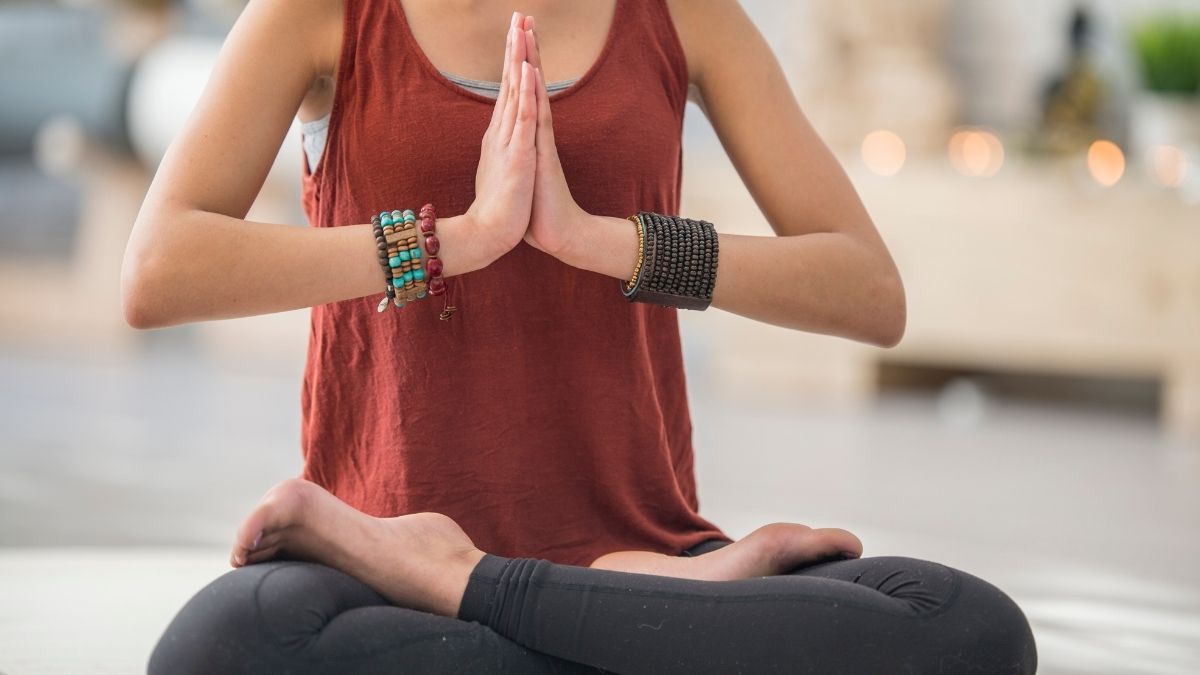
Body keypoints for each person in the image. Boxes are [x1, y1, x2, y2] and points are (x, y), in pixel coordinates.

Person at [124, 0, 1037, 672]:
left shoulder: (686, 16)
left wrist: (600, 240)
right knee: (225, 647)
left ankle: (476, 584)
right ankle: (541, 610)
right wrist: (459, 240)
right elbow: (160, 268)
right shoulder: (322, 12)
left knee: (969, 628)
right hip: (385, 568)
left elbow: (868, 290)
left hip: (649, 565)